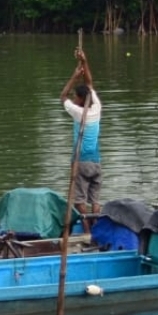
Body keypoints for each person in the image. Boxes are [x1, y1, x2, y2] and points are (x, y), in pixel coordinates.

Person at [59, 47, 102, 216]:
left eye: (76, 97)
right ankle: (96, 226)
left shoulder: (78, 113)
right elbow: (90, 84)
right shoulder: (97, 108)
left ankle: (86, 230)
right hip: (96, 162)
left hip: (81, 162)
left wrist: (75, 76)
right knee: (95, 200)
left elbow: (63, 96)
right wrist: (84, 61)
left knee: (79, 200)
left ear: (81, 100)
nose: (74, 99)